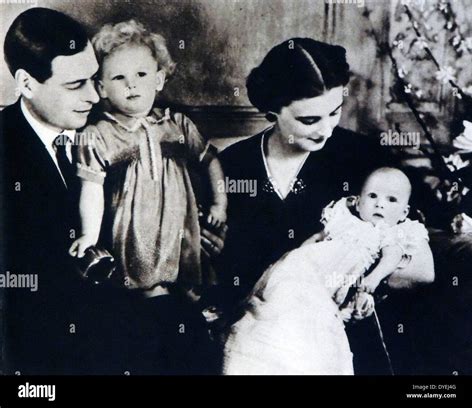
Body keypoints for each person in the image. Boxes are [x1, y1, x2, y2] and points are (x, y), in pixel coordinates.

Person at [214, 38, 434, 374]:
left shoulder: (363, 160)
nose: (327, 129)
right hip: (258, 332)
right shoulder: (232, 166)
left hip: (344, 329)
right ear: (273, 110)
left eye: (334, 112)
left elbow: (418, 259)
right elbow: (223, 265)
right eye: (309, 120)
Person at [68, 19, 226, 374]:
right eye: (119, 78)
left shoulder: (177, 125)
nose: (132, 85)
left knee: (185, 306)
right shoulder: (99, 134)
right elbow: (91, 188)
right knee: (139, 303)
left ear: (159, 78)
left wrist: (220, 204)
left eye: (141, 75)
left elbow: (210, 162)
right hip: (133, 227)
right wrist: (90, 235)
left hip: (178, 226)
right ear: (102, 87)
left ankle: (184, 321)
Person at [223, 167, 430, 374]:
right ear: (358, 202)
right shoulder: (343, 219)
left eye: (391, 200)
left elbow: (391, 258)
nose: (380, 204)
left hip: (327, 283)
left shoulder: (389, 233)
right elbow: (318, 237)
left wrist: (373, 279)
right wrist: (297, 253)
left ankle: (287, 361)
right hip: (305, 264)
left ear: (404, 212)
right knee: (282, 299)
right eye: (372, 196)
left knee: (310, 316)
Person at [0, 7, 100, 374]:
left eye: (94, 79)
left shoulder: (112, 129)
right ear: (26, 83)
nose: (95, 97)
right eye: (76, 85)